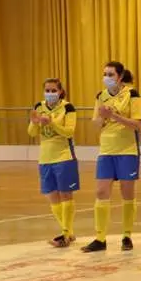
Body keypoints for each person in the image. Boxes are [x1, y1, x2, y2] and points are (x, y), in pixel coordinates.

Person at [82, 61, 141, 252]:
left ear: (120, 76)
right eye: (105, 74)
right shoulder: (101, 96)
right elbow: (96, 124)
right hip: (106, 150)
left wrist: (114, 116)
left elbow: (136, 124)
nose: (106, 78)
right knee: (101, 192)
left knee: (127, 193)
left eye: (110, 74)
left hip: (126, 150)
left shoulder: (132, 94)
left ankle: (127, 235)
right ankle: (100, 238)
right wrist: (102, 117)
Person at [28, 79, 80, 248]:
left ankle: (65, 233)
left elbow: (69, 131)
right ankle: (68, 232)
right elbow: (31, 133)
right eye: (47, 90)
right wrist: (35, 123)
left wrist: (52, 123)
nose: (50, 93)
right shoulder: (39, 106)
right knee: (52, 196)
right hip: (45, 158)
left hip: (64, 156)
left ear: (60, 91)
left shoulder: (68, 108)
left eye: (53, 90)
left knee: (65, 195)